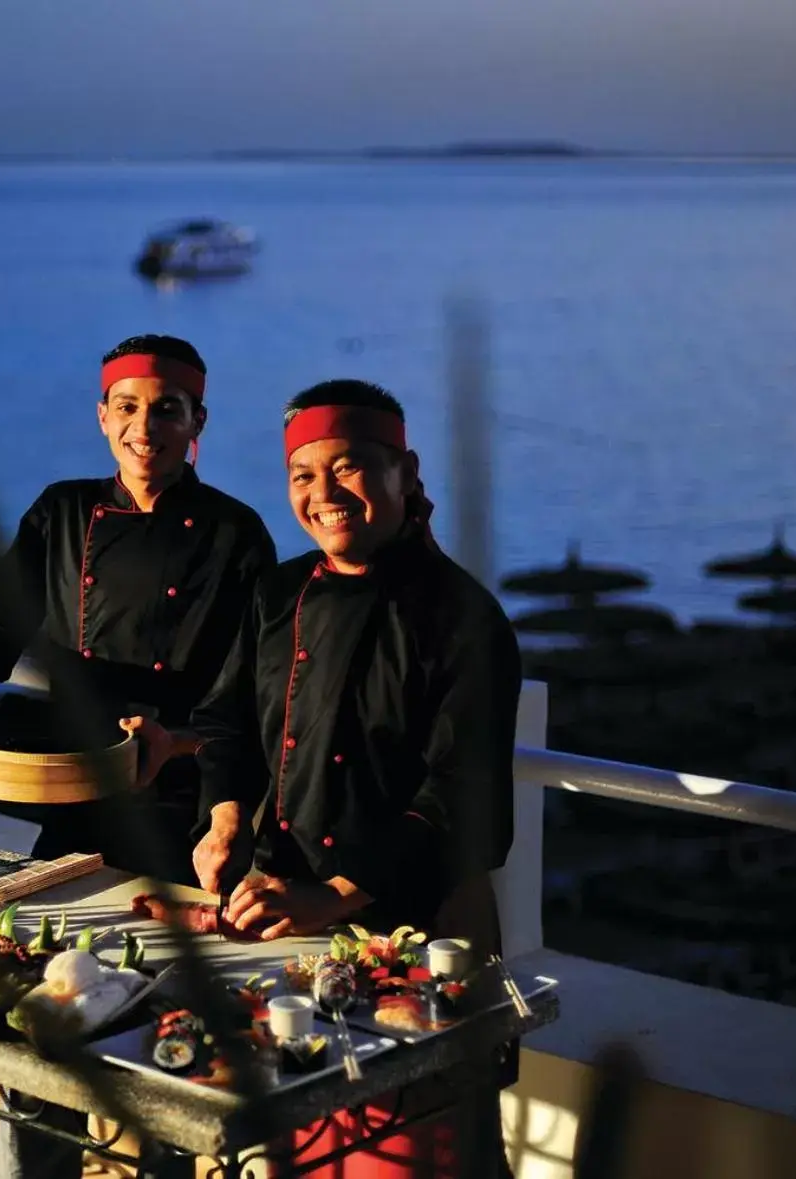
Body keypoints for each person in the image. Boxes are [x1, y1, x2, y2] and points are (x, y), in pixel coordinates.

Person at [184, 379, 523, 1178]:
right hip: (293, 924)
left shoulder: (465, 618)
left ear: (405, 469)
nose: (324, 493)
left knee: (420, 1153)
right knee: (310, 1146)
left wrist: (334, 893)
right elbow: (227, 722)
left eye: (350, 468)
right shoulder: (276, 593)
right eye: (304, 474)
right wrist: (225, 817)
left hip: (422, 927)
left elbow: (463, 799)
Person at [0, 334, 277, 882]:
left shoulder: (236, 533)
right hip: (77, 777)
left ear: (197, 422)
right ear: (103, 416)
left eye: (167, 410)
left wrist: (178, 743)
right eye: (128, 407)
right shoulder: (62, 511)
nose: (145, 428)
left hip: (185, 792)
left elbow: (255, 686)